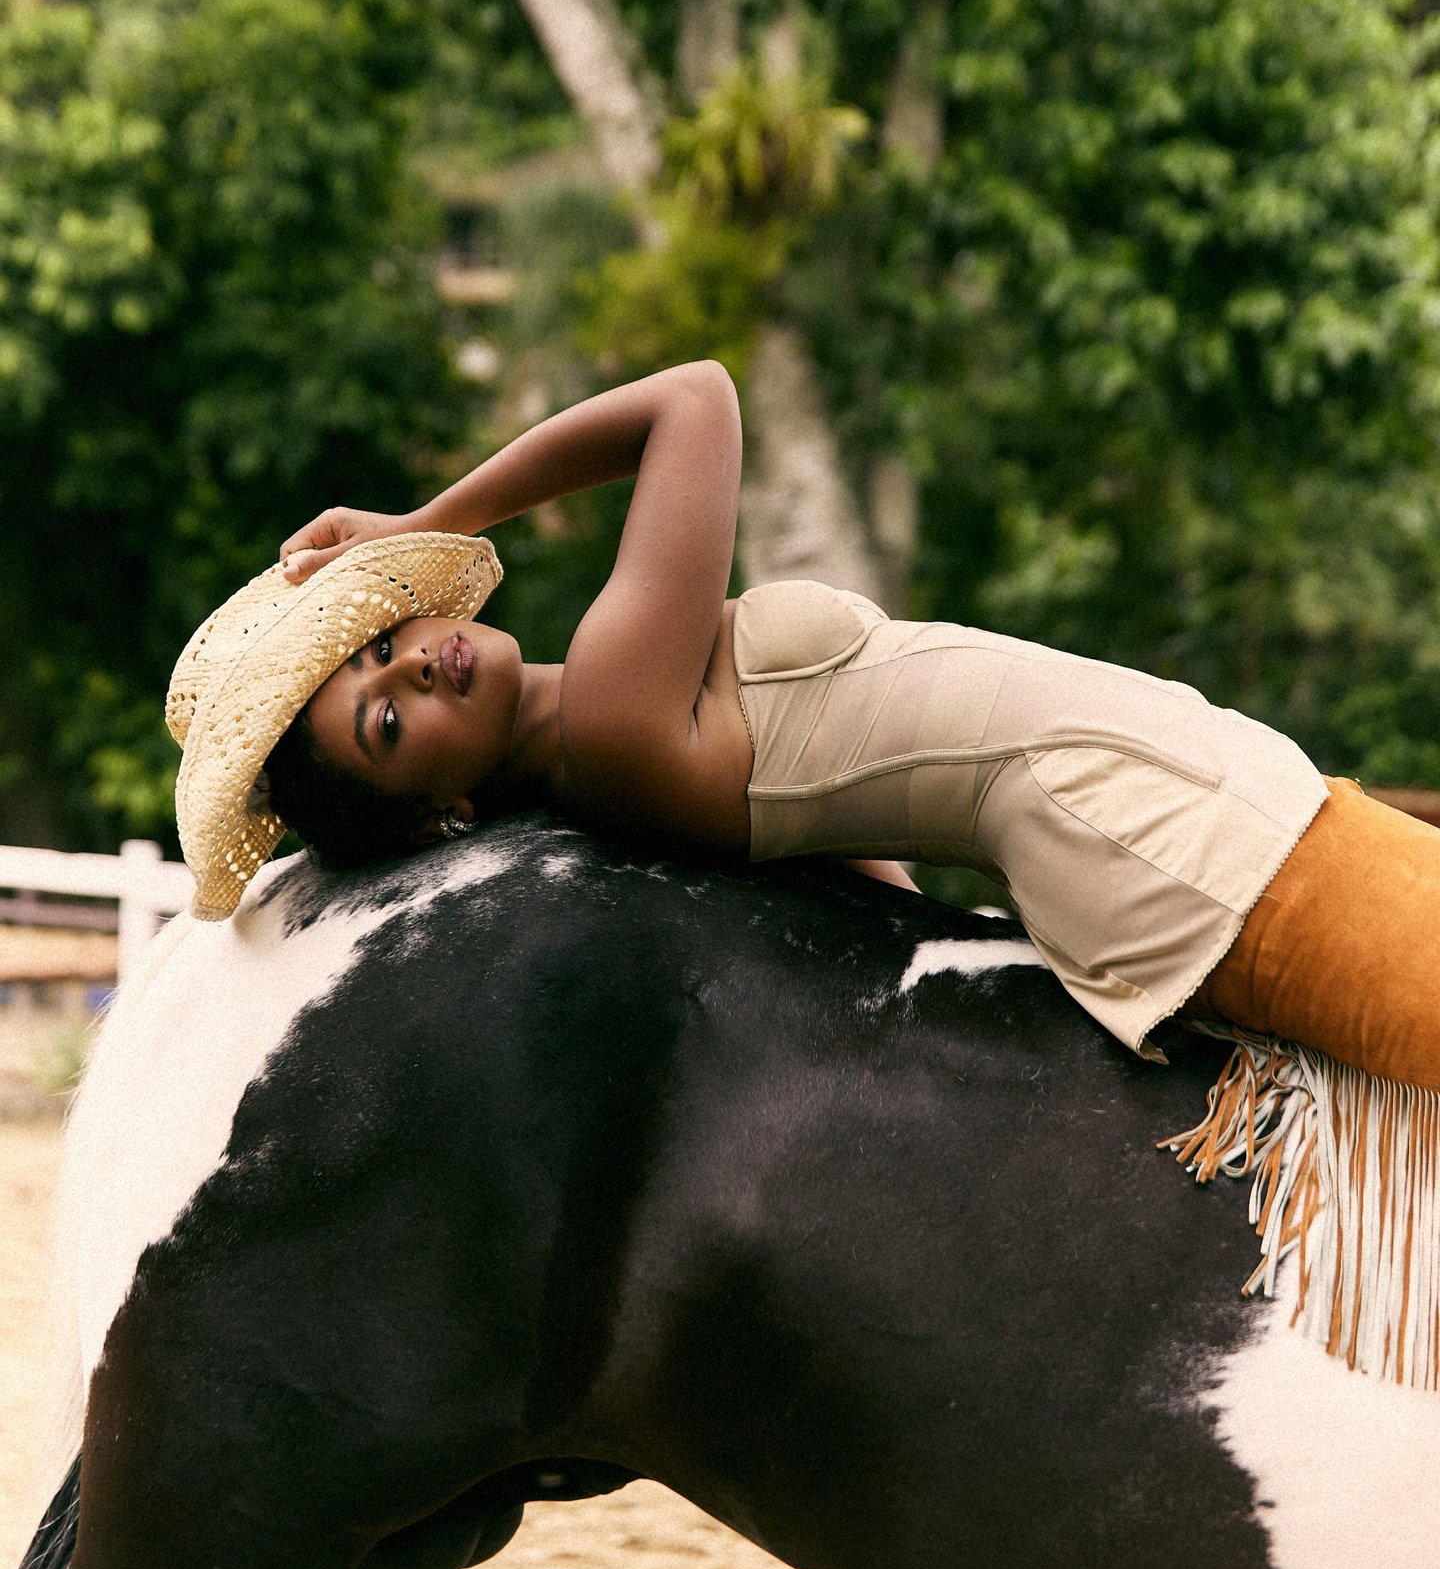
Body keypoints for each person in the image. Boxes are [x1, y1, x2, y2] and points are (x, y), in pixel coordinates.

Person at [168, 359, 1440, 1091]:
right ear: (436, 811)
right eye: (384, 722)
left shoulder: (619, 749)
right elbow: (697, 399)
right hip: (1149, 831)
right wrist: (427, 519)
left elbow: (847, 851)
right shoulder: (613, 708)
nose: (415, 671)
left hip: (1154, 799)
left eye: (382, 647)